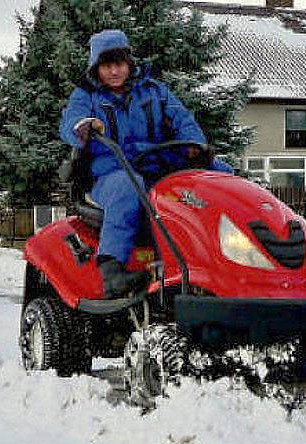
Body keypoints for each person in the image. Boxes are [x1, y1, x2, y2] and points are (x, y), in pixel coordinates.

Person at [60, 29, 233, 299]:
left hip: (157, 165)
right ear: (96, 68)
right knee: (129, 186)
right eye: (107, 66)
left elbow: (182, 119)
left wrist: (194, 146)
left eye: (119, 64)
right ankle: (112, 270)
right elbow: (71, 123)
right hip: (111, 172)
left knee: (221, 176)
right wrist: (84, 126)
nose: (114, 71)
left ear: (129, 64)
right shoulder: (87, 96)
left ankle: (235, 255)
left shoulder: (154, 91)